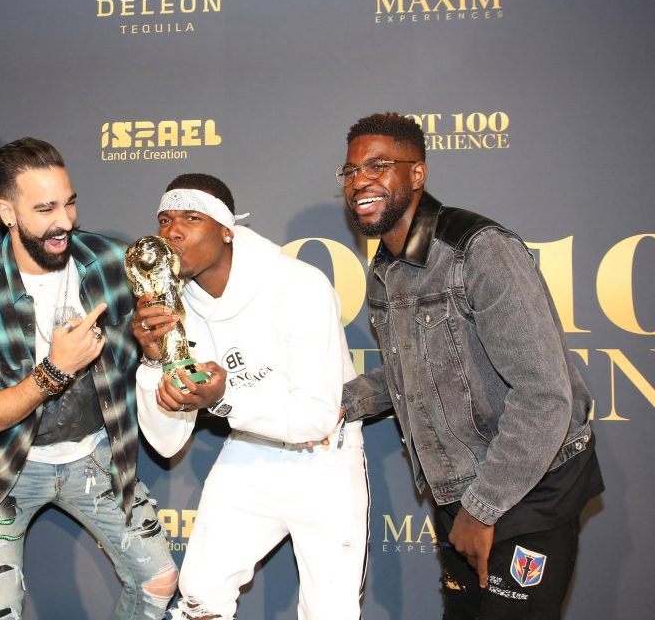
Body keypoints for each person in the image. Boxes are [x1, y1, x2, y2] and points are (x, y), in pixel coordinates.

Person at [337, 113, 603, 619]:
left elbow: (544, 397)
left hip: (529, 486)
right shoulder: (387, 269)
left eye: (378, 166)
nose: (360, 182)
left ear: (417, 174)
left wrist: (482, 510)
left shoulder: (479, 251)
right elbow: (412, 380)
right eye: (350, 171)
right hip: (461, 490)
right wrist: (331, 402)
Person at [0, 137, 177, 619]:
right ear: (7, 211)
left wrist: (156, 348)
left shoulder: (113, 263)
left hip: (94, 458)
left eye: (69, 203)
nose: (65, 221)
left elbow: (156, 347)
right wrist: (54, 371)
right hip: (4, 471)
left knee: (160, 580)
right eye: (45, 208)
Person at [134, 174, 370, 620]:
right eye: (164, 220)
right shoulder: (173, 309)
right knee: (200, 595)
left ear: (226, 229)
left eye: (190, 218)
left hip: (325, 461)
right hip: (249, 452)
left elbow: (318, 417)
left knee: (330, 612)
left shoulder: (299, 284)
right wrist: (152, 364)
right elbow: (166, 443)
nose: (172, 232)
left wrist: (224, 400)